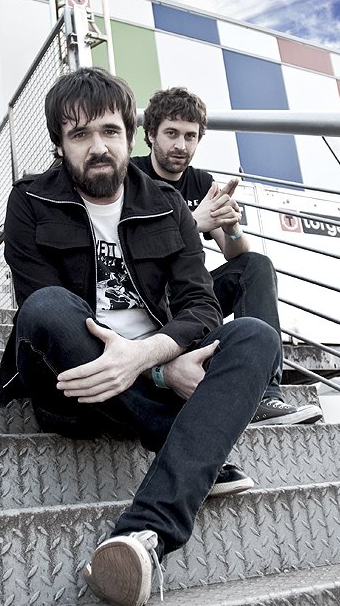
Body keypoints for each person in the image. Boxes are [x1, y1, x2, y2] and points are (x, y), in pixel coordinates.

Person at [0, 67, 282, 606]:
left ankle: (144, 534)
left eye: (109, 131)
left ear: (130, 135)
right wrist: (156, 371)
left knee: (255, 336)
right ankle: (187, 441)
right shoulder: (30, 200)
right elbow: (40, 309)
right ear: (59, 143)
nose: (98, 147)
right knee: (48, 307)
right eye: (79, 134)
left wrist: (151, 357)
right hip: (74, 383)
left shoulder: (167, 203)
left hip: (149, 369)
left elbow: (201, 305)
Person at [132, 87, 323, 426]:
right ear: (150, 135)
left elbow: (236, 255)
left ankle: (265, 395)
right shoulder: (132, 178)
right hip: (146, 301)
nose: (181, 145)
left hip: (190, 299)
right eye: (171, 133)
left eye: (190, 136)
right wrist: (192, 224)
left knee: (256, 265)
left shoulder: (201, 183)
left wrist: (232, 228)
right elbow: (129, 247)